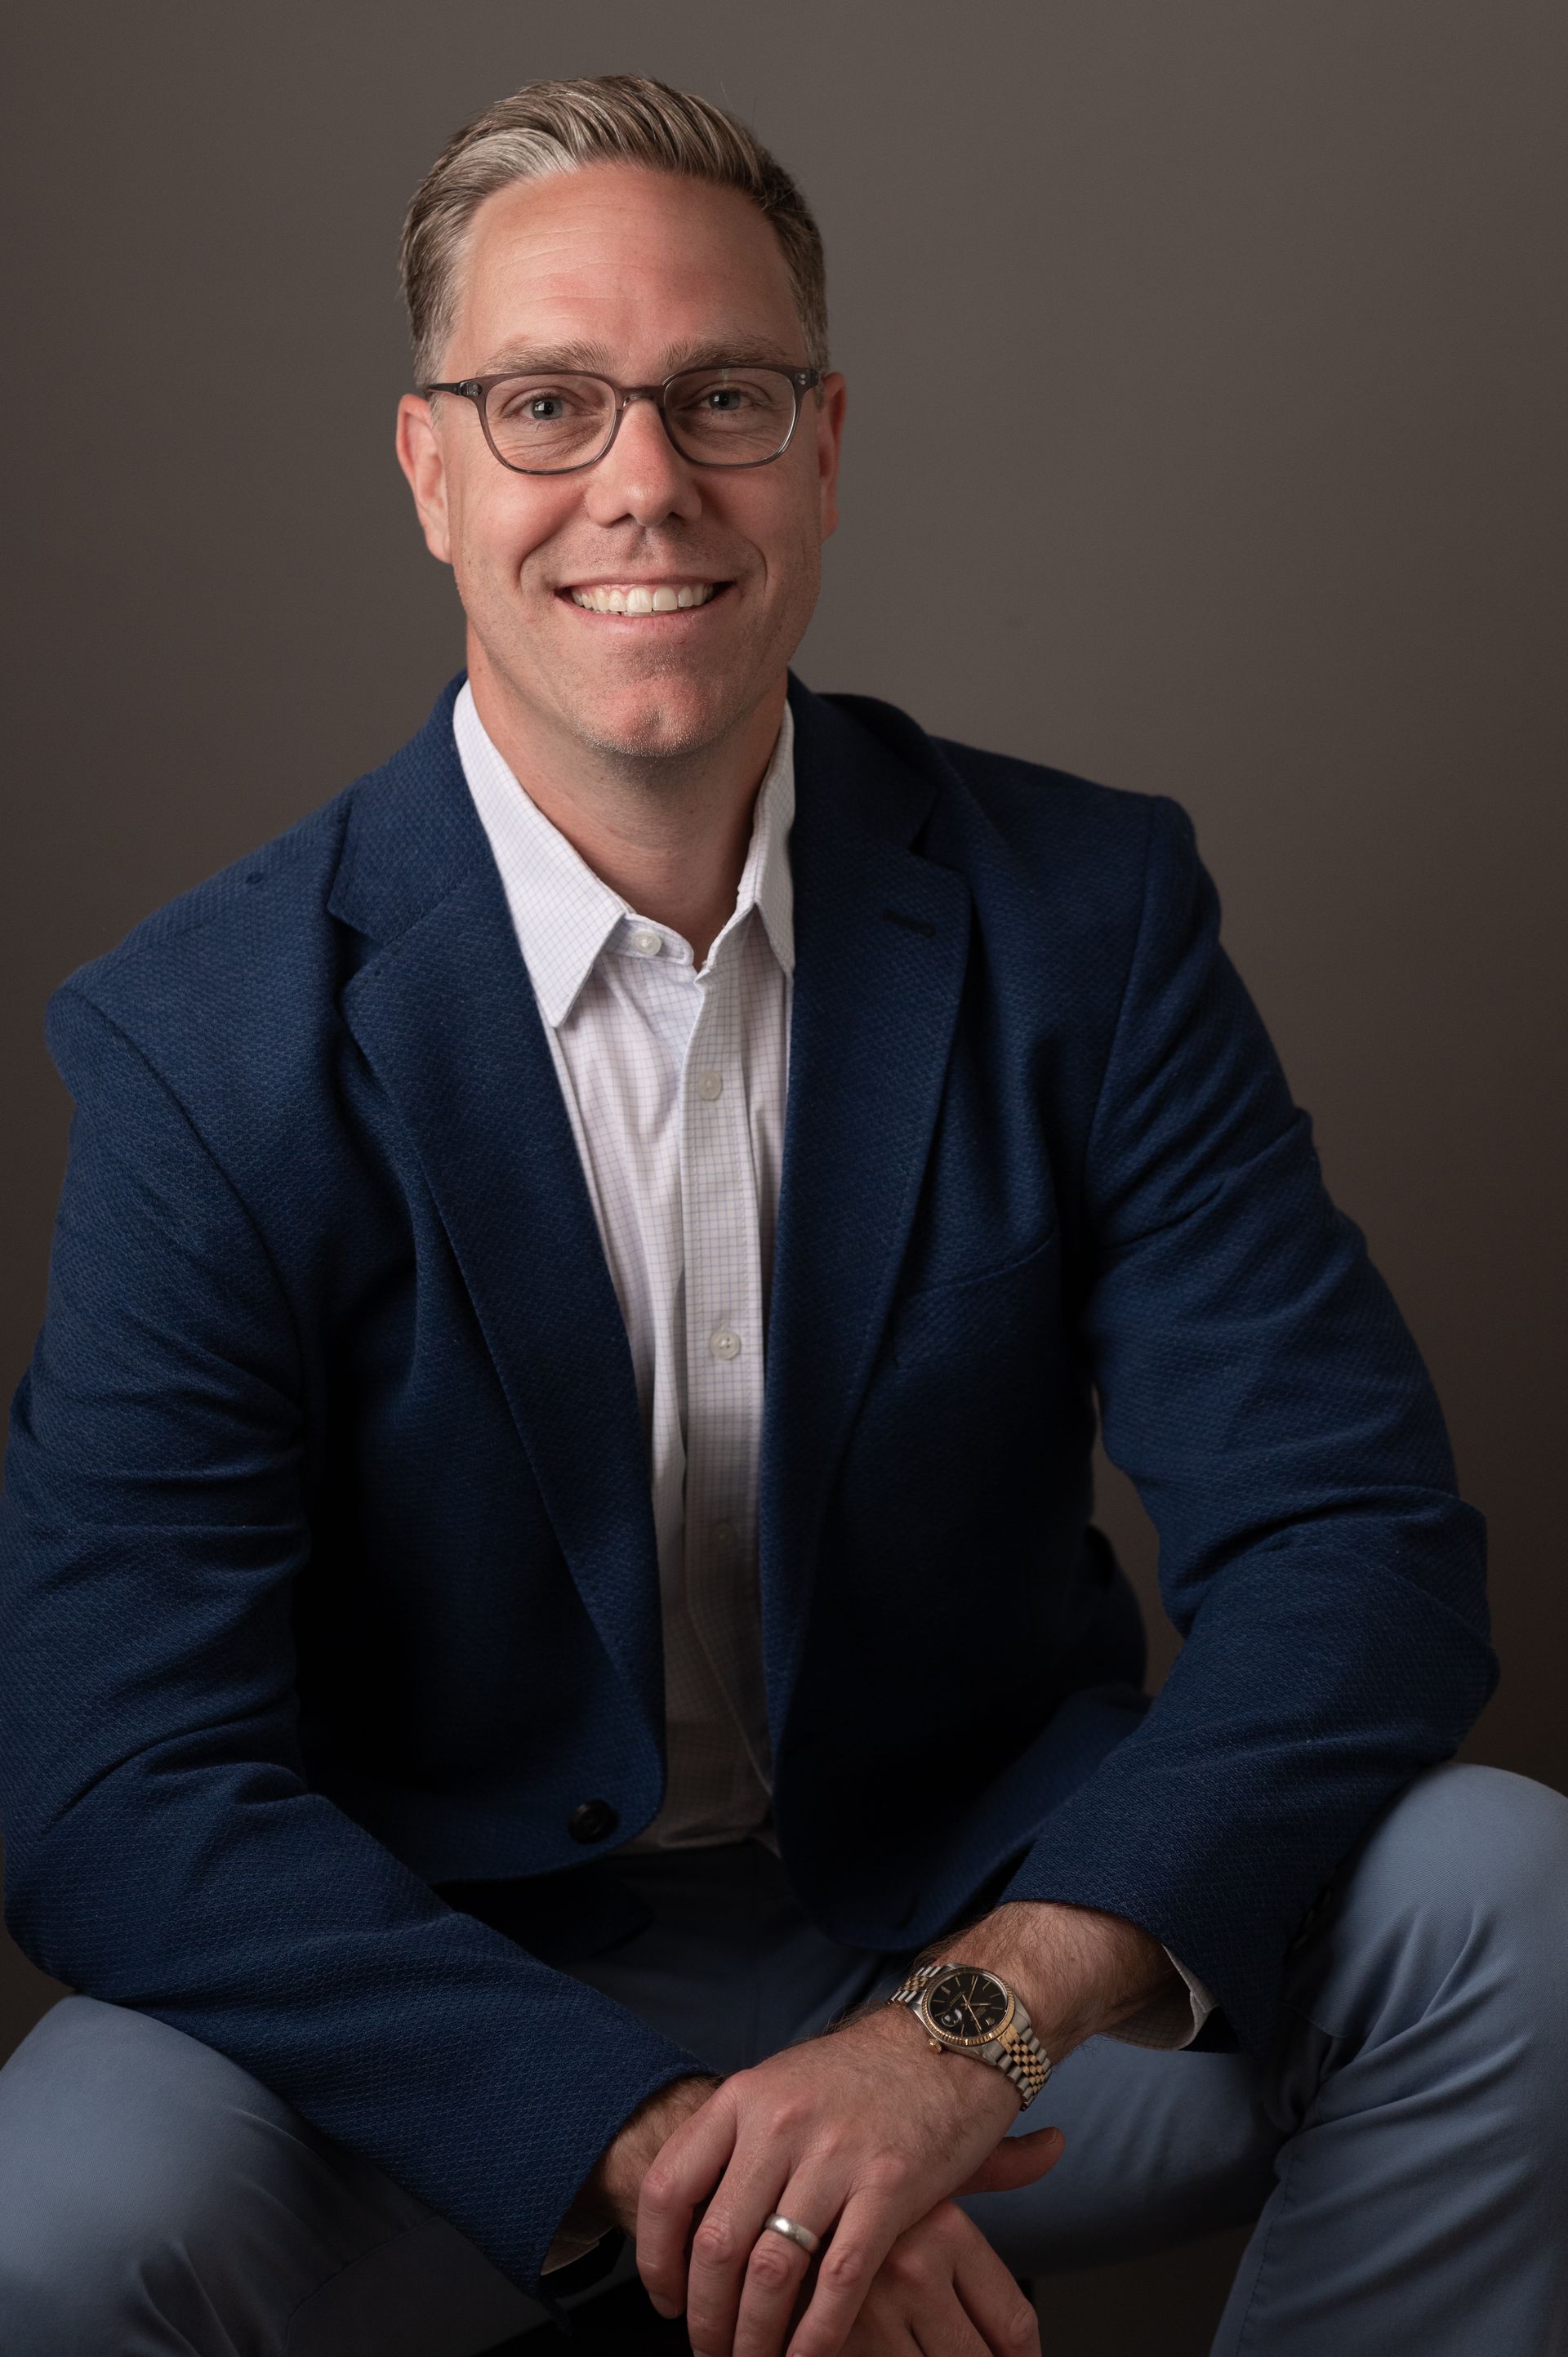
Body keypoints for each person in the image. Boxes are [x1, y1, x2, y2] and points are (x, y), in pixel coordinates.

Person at [0, 69, 1563, 2357]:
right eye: (550, 404)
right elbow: (112, 1778)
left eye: (720, 396)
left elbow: (1358, 1547)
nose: (646, 480)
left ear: (823, 446)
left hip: (978, 1939)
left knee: (1510, 1897)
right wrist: (658, 2144)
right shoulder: (205, 1042)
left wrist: (968, 2033)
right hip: (442, 2011)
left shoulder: (1082, 915)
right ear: (430, 469)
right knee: (44, 2232)